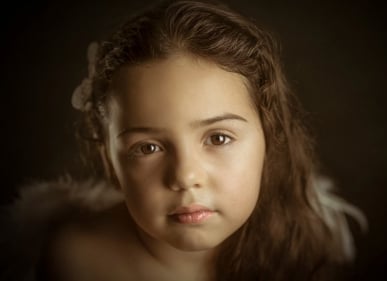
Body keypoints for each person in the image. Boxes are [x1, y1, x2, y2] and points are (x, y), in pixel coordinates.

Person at [2, 0, 367, 280]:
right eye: (148, 147)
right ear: (109, 156)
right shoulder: (76, 260)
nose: (185, 176)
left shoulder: (307, 246)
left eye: (219, 137)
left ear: (268, 136)